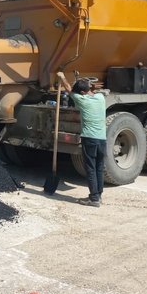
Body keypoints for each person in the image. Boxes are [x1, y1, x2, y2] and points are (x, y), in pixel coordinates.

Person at [57, 71, 106, 207]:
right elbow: (92, 90)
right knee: (99, 168)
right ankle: (98, 196)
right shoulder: (101, 98)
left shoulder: (82, 100)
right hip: (102, 139)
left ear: (82, 93)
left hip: (89, 139)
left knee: (90, 168)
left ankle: (94, 199)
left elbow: (68, 89)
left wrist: (62, 76)